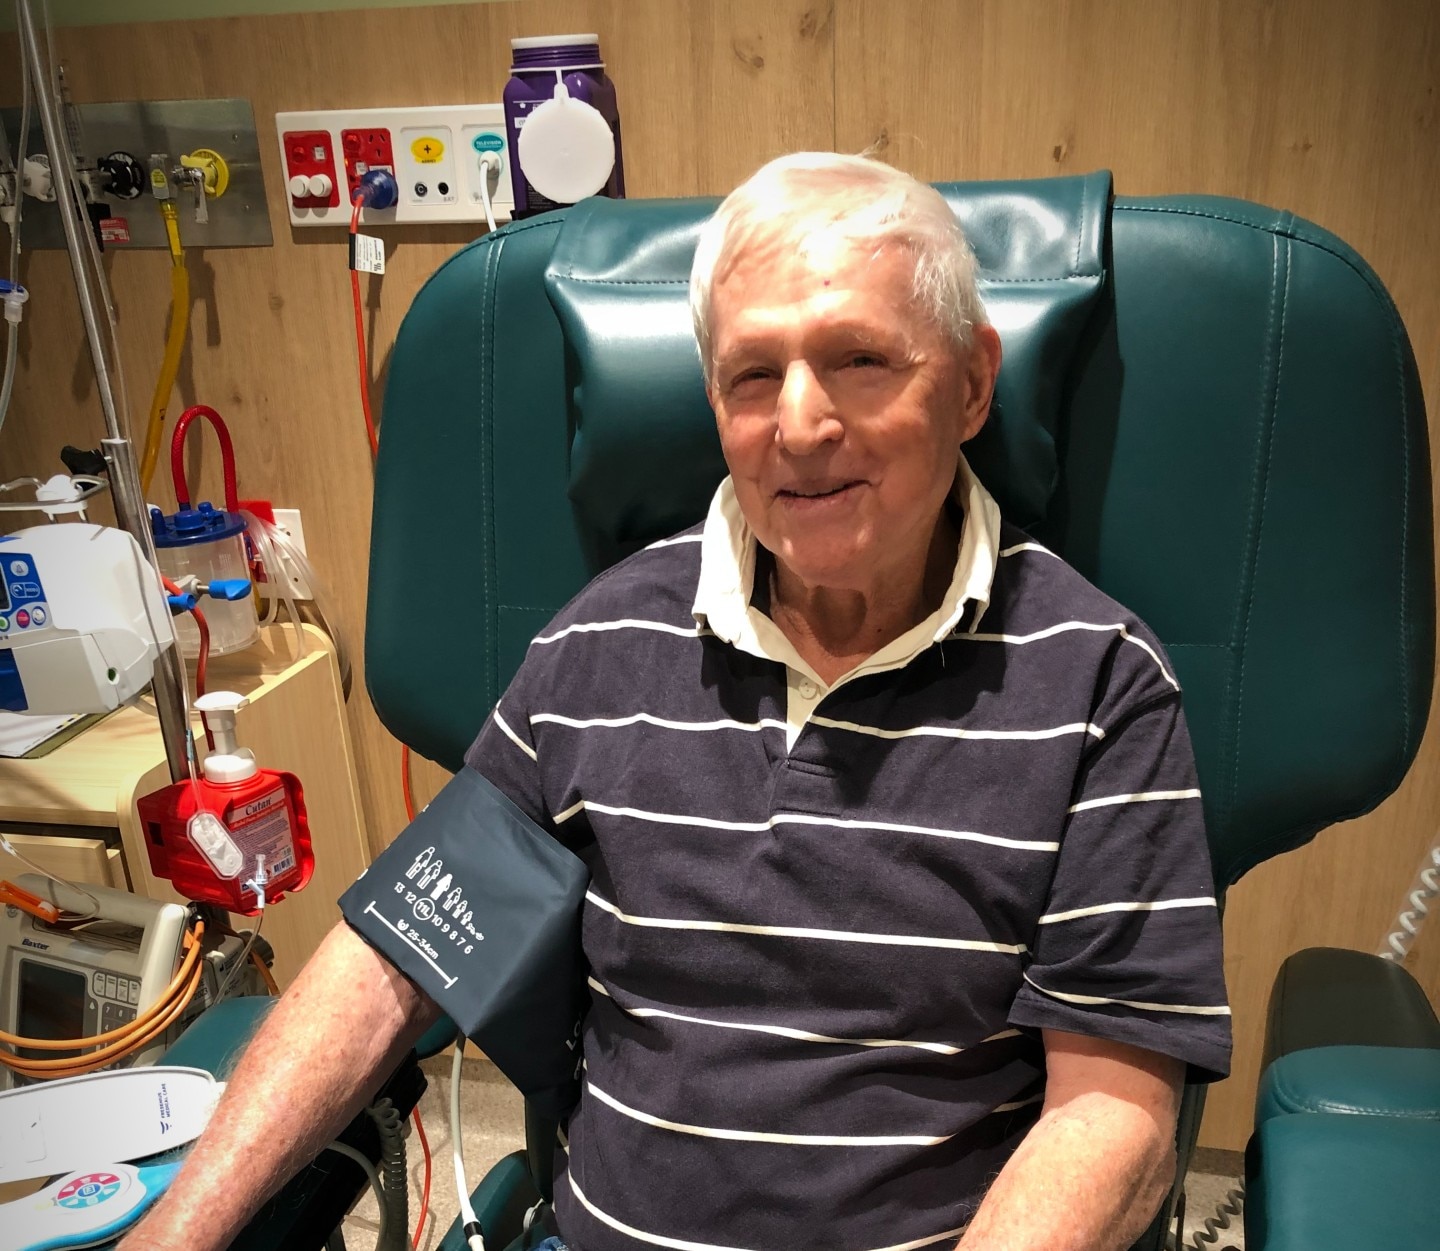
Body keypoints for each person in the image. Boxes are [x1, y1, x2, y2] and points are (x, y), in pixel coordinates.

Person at [123, 153, 1229, 1251]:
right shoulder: (604, 642)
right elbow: (394, 962)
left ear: (975, 381)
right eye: (754, 376)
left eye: (858, 360)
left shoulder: (1096, 683)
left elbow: (1112, 1110)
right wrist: (172, 1237)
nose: (799, 425)